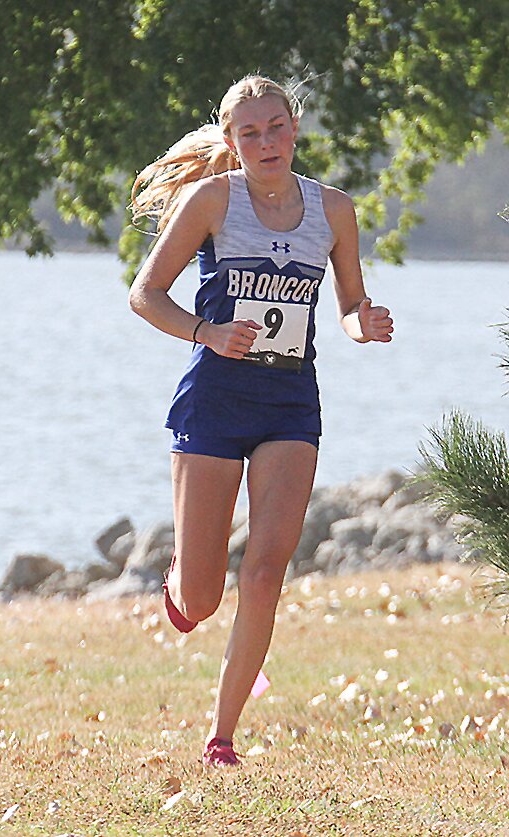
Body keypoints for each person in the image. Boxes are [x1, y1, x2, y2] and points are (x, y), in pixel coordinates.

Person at [128, 75, 393, 768]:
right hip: (214, 400)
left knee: (267, 574)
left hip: (288, 405)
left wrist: (363, 324)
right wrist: (206, 332)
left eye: (276, 126)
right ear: (231, 141)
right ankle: (182, 584)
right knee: (203, 596)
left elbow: (347, 305)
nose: (267, 141)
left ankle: (221, 736)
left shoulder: (333, 209)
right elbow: (145, 294)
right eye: (250, 132)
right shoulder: (212, 199)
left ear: (295, 127)